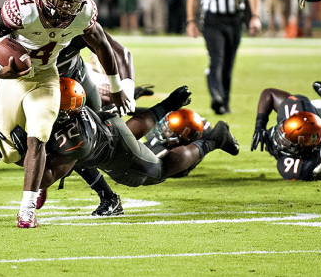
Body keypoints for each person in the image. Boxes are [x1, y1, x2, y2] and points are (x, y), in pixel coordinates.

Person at [0, 0, 132, 228]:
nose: (67, 7)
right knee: (11, 152)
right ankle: (42, 178)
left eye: (73, 1)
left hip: (47, 76)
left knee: (40, 135)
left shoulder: (83, 13)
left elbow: (104, 45)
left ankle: (27, 210)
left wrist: (117, 88)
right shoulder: (23, 7)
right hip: (15, 79)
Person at [0, 32, 147, 216]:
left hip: (75, 86)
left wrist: (125, 90)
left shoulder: (72, 23)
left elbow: (117, 50)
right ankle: (42, 172)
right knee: (37, 143)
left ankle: (107, 195)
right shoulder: (18, 29)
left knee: (78, 142)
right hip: (34, 89)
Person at [19, 80, 239, 193]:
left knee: (159, 170)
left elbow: (46, 178)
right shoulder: (78, 108)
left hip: (115, 152)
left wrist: (21, 154)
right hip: (110, 128)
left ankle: (213, 140)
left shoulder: (74, 139)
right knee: (125, 133)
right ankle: (168, 105)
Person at [186, 0, 261, 115]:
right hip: (213, 20)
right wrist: (191, 21)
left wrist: (255, 16)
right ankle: (216, 97)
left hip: (235, 19)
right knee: (217, 59)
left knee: (228, 63)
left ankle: (224, 102)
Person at [250, 81, 321, 181]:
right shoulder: (302, 113)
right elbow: (270, 94)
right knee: (309, 107)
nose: (280, 140)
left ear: (303, 149)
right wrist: (260, 126)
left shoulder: (302, 167)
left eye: (286, 141)